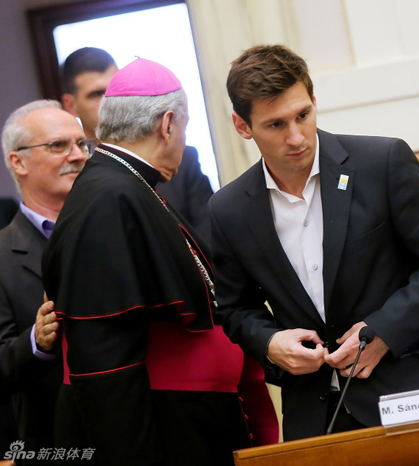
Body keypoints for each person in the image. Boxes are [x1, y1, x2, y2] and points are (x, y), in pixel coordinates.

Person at [208, 44, 419, 440]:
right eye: (276, 125)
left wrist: (384, 330)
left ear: (314, 101)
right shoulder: (228, 209)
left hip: (409, 392)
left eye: (303, 115)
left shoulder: (382, 161)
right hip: (313, 417)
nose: (297, 137)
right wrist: (270, 342)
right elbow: (234, 309)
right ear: (242, 125)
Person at [42, 59, 277, 466]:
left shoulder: (125, 186)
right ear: (167, 124)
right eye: (183, 129)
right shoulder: (109, 199)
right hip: (167, 431)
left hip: (185, 419)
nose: (182, 142)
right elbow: (106, 362)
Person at [0, 100, 86, 462]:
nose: (79, 155)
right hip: (55, 444)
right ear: (17, 162)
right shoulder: (3, 255)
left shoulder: (114, 231)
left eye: (83, 144)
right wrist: (37, 340)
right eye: (58, 145)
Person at [61, 47, 214, 237]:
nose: (108, 102)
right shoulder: (70, 169)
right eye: (96, 94)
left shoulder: (179, 158)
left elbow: (207, 237)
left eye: (112, 92)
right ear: (70, 105)